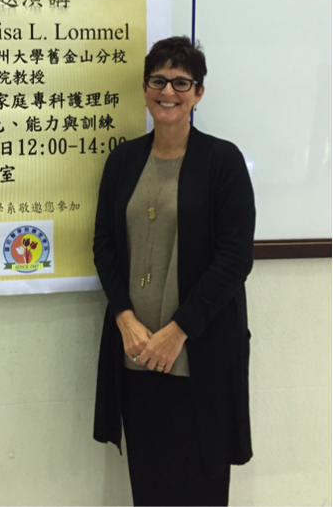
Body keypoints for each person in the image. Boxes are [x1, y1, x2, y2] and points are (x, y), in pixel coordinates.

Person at [93, 36, 255, 506]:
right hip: (137, 354)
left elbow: (234, 258)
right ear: (145, 89)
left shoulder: (222, 162)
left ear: (198, 93)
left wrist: (177, 332)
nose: (169, 91)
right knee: (150, 483)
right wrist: (126, 319)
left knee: (201, 486)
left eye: (182, 82)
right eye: (159, 81)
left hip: (197, 354)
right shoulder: (123, 161)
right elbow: (103, 245)